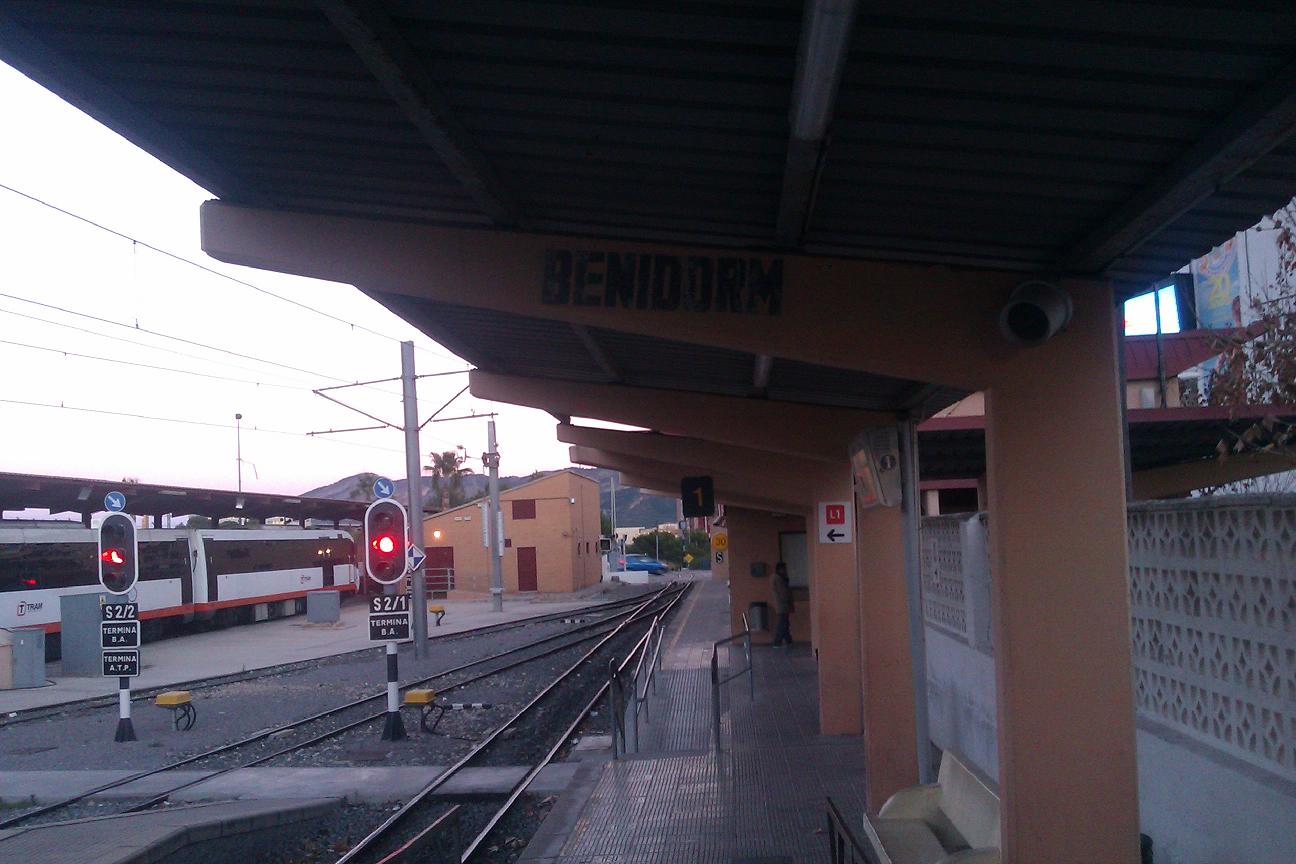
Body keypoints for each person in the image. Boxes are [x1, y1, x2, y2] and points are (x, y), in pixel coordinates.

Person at [771, 561, 793, 647]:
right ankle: (778, 641)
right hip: (783, 605)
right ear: (781, 569)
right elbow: (783, 592)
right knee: (783, 623)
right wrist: (787, 600)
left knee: (785, 623)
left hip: (781, 604)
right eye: (784, 569)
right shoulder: (779, 579)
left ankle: (788, 640)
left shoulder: (776, 578)